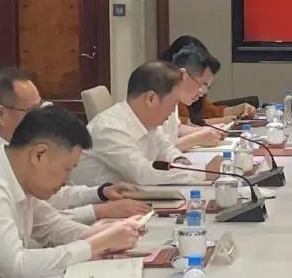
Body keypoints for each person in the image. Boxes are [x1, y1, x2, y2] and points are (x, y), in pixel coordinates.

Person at [0, 105, 143, 277]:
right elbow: (16, 266)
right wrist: (96, 244)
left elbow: (52, 226)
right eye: (67, 169)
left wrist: (101, 233)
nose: (67, 181)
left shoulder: (18, 175)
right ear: (39, 154)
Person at [0, 68, 148, 224]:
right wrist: (100, 212)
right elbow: (41, 224)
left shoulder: (17, 147)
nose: (41, 118)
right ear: (1, 114)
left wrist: (101, 192)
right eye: (33, 111)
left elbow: (50, 202)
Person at [71, 61, 219, 186]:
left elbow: (166, 148)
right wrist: (203, 173)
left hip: (130, 200)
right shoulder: (109, 128)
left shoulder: (148, 122)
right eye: (174, 102)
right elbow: (144, 175)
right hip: (100, 208)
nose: (173, 110)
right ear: (151, 99)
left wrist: (180, 160)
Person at [159, 35, 255, 126]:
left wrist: (236, 110)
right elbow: (183, 125)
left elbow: (209, 111)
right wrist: (220, 122)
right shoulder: (162, 96)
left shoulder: (189, 93)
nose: (202, 92)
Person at [159, 43, 229, 151]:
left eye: (207, 88)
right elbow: (156, 152)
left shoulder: (174, 100)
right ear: (183, 75)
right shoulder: (155, 100)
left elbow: (177, 128)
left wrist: (206, 131)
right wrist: (197, 139)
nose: (202, 93)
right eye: (201, 84)